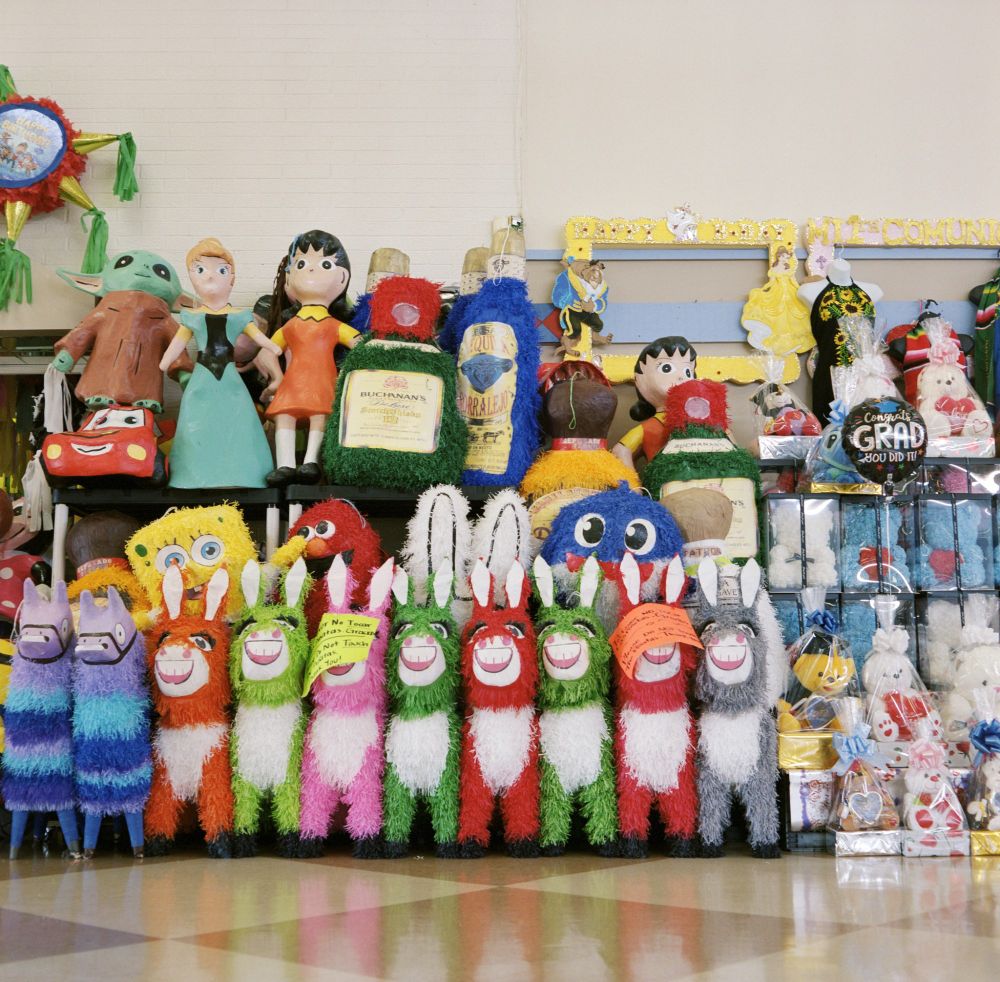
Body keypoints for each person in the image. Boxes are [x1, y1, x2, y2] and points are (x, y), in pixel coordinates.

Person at [158, 238, 278, 488]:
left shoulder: (239, 316)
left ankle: (245, 474)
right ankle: (192, 476)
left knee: (238, 422)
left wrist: (272, 346)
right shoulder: (192, 317)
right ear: (192, 278)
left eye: (221, 270)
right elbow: (177, 344)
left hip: (230, 380)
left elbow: (259, 338)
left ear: (231, 278)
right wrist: (166, 361)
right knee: (198, 423)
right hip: (202, 379)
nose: (211, 277)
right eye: (201, 270)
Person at [262, 229, 360, 486]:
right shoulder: (291, 325)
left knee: (320, 415)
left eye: (325, 264)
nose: (312, 270)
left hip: (323, 380)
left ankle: (311, 461)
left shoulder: (333, 325)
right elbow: (268, 351)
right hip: (292, 382)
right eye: (302, 264)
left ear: (342, 279)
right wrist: (275, 377)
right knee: (285, 416)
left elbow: (360, 346)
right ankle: (285, 464)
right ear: (288, 280)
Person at [612, 336, 697, 468]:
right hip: (664, 485)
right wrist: (633, 486)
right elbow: (620, 451)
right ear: (639, 379)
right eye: (666, 368)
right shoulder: (647, 429)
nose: (681, 376)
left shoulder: (704, 422)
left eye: (688, 371)